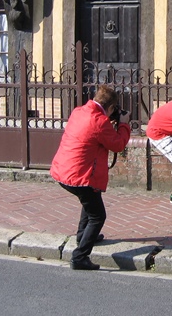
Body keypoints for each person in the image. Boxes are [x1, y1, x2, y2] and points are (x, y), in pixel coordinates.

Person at [50, 84, 131, 270]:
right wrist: (124, 124)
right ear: (110, 108)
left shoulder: (79, 111)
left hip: (63, 171)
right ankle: (80, 256)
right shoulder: (100, 121)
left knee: (90, 200)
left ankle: (84, 235)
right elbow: (118, 144)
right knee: (98, 216)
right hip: (80, 176)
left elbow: (92, 136)